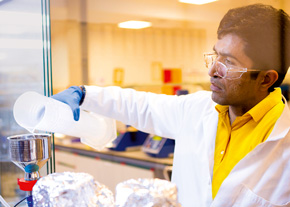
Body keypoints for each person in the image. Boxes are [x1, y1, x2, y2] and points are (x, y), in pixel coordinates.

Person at [52, 4, 290, 207]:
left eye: (228, 62)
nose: (212, 70)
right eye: (215, 56)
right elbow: (140, 105)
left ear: (266, 79)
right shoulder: (197, 109)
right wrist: (84, 94)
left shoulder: (284, 146)